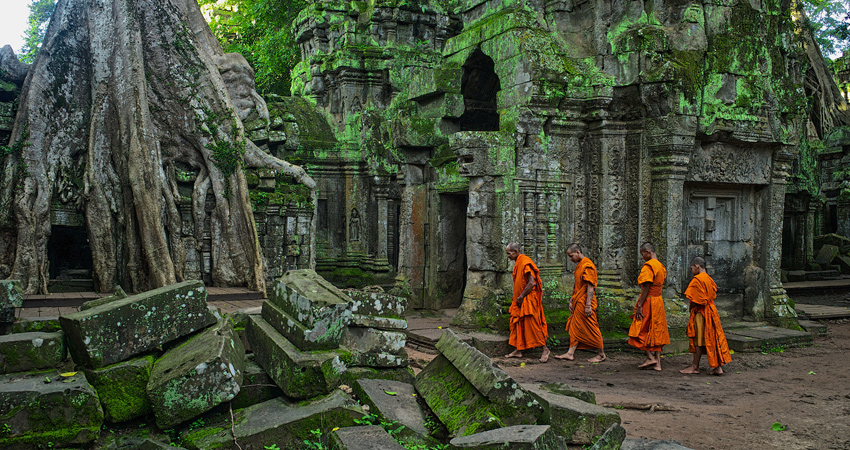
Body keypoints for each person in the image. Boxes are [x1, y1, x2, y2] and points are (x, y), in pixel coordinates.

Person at [679, 256, 732, 375]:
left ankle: (695, 367)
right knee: (712, 337)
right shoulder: (709, 279)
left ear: (697, 266)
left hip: (701, 313)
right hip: (711, 310)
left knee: (698, 339)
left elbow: (697, 300)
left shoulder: (697, 280)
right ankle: (718, 367)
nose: (692, 270)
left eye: (692, 268)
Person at [555, 243, 606, 363]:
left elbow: (590, 287)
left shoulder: (588, 265)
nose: (570, 259)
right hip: (578, 300)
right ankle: (570, 353)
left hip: (585, 302)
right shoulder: (580, 266)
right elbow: (577, 285)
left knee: (591, 326)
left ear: (578, 252)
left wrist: (588, 305)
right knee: (575, 325)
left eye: (571, 256)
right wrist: (571, 300)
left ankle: (601, 354)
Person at [504, 242, 551, 363]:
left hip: (528, 299)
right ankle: (518, 350)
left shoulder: (525, 262)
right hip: (520, 299)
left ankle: (545, 349)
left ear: (515, 252)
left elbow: (532, 283)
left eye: (509, 254)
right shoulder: (518, 262)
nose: (507, 256)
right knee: (517, 324)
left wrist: (521, 296)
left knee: (533, 325)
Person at [628, 242, 670, 371]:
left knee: (638, 329)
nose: (643, 257)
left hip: (649, 301)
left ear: (648, 252)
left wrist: (640, 304)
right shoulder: (661, 266)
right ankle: (657, 363)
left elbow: (646, 287)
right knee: (656, 331)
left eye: (643, 254)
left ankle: (650, 357)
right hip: (658, 301)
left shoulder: (649, 266)